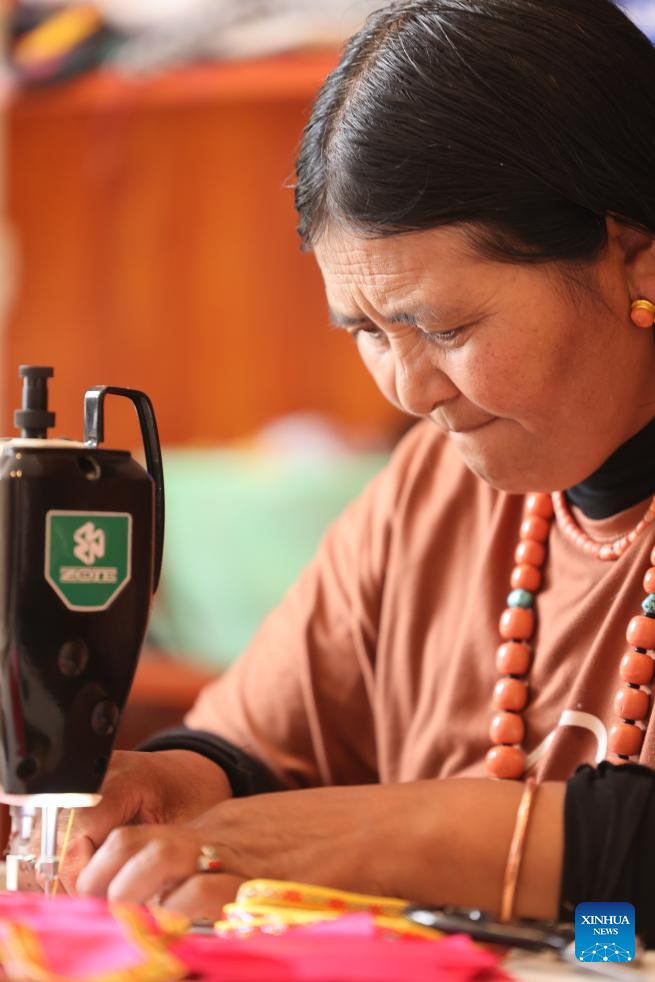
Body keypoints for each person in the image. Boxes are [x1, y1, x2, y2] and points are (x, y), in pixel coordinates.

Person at [67, 0, 655, 940]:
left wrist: (317, 842)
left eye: (446, 328)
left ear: (637, 261)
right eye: (368, 333)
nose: (409, 389)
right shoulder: (432, 488)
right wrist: (169, 791)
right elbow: (256, 745)